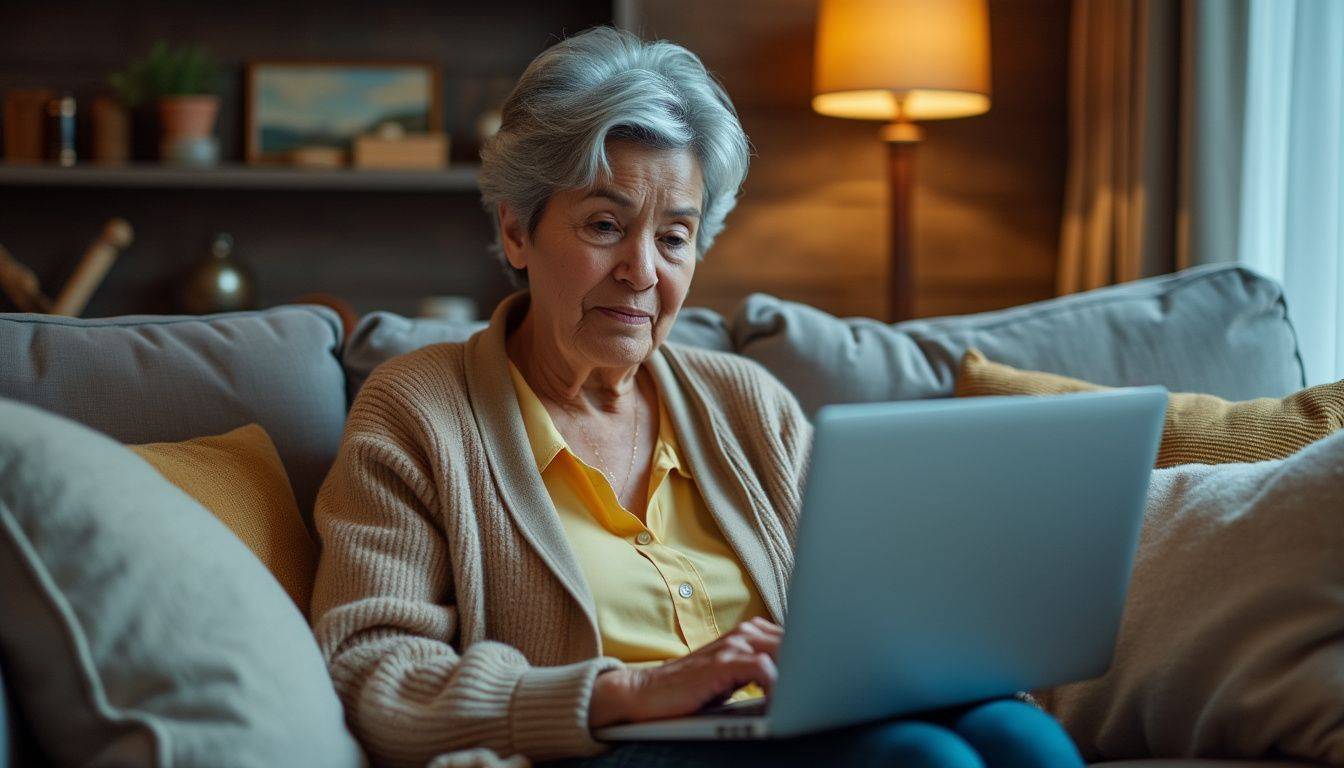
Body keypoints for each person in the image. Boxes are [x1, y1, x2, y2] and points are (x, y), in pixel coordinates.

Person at [309, 26, 1085, 768]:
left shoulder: (748, 401)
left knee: (1024, 738)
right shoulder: (418, 409)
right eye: (606, 224)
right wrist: (632, 691)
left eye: (674, 237)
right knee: (923, 760)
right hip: (604, 749)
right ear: (517, 231)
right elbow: (371, 673)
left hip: (787, 728)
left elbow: (862, 615)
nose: (643, 271)